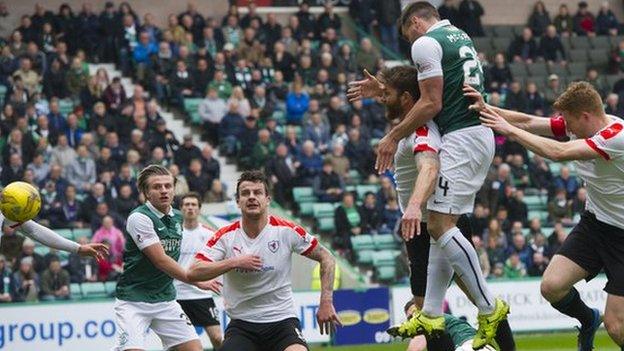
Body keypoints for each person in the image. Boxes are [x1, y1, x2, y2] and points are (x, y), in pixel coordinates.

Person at [351, 3, 508, 348]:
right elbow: (425, 95)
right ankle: (433, 312)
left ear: (416, 23)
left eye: (409, 35)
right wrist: (383, 92)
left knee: (438, 225)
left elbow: (430, 102)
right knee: (439, 228)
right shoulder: (459, 35)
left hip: (463, 137)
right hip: (474, 136)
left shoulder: (425, 42)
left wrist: (391, 136)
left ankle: (488, 308)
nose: (411, 44)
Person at [466, 81, 623, 350]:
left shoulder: (616, 136)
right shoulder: (581, 125)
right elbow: (528, 121)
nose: (567, 128)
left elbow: (557, 152)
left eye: (570, 122)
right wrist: (486, 108)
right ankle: (588, 319)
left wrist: (509, 131)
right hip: (595, 225)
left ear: (586, 115)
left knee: (617, 326)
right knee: (552, 287)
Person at [188, 170, 341, 351]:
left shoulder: (286, 230)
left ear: (267, 199)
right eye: (245, 193)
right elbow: (193, 272)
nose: (252, 197)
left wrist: (325, 301)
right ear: (238, 202)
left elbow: (327, 257)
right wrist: (234, 262)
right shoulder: (225, 236)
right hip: (242, 324)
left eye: (257, 192)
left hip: (282, 322)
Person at [113, 165, 213, 351]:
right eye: (157, 187)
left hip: (166, 300)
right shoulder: (139, 218)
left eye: (168, 186)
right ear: (146, 192)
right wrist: (195, 280)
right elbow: (160, 260)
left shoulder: (177, 217)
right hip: (134, 300)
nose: (164, 190)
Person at [175, 193, 223, 349]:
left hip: (202, 295)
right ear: (181, 209)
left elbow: (220, 262)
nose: (190, 208)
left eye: (193, 205)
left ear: (199, 209)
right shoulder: (174, 234)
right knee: (177, 345)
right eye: (187, 205)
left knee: (217, 338)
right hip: (178, 295)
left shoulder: (210, 234)